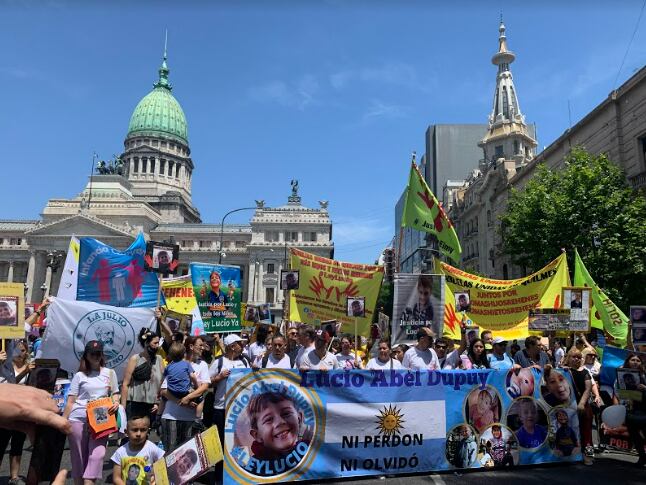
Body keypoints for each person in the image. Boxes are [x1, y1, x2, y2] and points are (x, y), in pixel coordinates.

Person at [63, 340, 120, 485]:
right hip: (78, 419)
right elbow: (70, 401)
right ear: (86, 355)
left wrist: (116, 403)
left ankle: (89, 481)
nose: (95, 356)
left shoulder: (110, 373)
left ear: (102, 355)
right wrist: (63, 420)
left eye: (98, 353)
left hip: (101, 420)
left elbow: (115, 393)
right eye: (92, 353)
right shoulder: (79, 376)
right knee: (79, 458)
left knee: (97, 455)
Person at [210, 334, 250, 479]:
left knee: (240, 442)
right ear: (232, 346)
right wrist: (219, 377)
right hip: (222, 409)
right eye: (240, 343)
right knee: (222, 443)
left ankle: (239, 474)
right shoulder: (219, 362)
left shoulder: (245, 361)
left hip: (240, 410)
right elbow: (207, 383)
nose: (243, 346)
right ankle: (220, 477)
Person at [160, 336, 210, 453]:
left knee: (189, 455)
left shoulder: (202, 365)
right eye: (200, 345)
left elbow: (204, 386)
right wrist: (181, 402)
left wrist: (187, 397)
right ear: (191, 347)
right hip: (171, 416)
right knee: (171, 453)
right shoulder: (175, 364)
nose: (203, 348)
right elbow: (163, 390)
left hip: (192, 418)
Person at [0, 339, 34, 484]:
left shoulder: (30, 367)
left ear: (27, 353)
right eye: (17, 350)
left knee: (17, 444)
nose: (20, 353)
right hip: (6, 412)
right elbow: (11, 384)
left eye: (23, 350)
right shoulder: (5, 366)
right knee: (1, 443)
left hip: (22, 412)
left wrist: (32, 372)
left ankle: (14, 476)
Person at [246, 391, 307, 467]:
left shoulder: (314, 451)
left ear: (299, 419)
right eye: (269, 419)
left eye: (286, 413)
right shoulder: (254, 469)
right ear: (257, 435)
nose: (280, 422)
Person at [121, 328, 164, 421]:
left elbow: (162, 383)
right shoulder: (135, 359)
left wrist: (158, 403)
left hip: (152, 406)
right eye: (155, 343)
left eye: (158, 343)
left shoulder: (159, 359)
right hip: (134, 405)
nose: (157, 346)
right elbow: (125, 384)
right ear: (146, 343)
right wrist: (123, 408)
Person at [561, 348, 595, 465]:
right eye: (574, 357)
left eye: (579, 357)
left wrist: (581, 403)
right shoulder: (563, 371)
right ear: (568, 358)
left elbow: (588, 389)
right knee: (571, 431)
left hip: (583, 408)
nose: (576, 359)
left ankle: (588, 455)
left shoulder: (585, 372)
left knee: (586, 432)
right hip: (568, 407)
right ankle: (573, 454)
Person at [110, 415, 164, 485]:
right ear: (126, 432)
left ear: (148, 431)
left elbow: (163, 470)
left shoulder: (153, 449)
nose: (138, 434)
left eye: (143, 430)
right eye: (135, 430)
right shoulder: (120, 452)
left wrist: (156, 479)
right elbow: (116, 478)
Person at [615, 353, 646, 466]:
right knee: (634, 434)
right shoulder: (621, 374)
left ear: (641, 363)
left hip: (644, 409)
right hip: (630, 410)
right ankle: (642, 457)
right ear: (628, 361)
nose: (635, 362)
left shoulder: (644, 374)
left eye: (638, 360)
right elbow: (617, 392)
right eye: (632, 360)